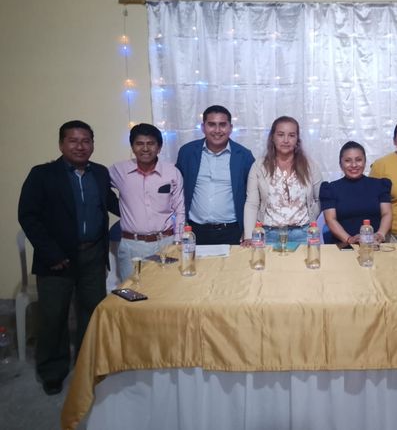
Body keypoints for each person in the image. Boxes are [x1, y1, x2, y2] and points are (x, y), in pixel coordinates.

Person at [18, 120, 119, 395]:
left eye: (86, 141)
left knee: (92, 313)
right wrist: (52, 253)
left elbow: (113, 204)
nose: (80, 146)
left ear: (93, 144)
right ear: (61, 144)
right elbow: (28, 217)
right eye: (73, 141)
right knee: (53, 317)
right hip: (57, 259)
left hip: (93, 255)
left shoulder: (99, 173)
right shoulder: (42, 174)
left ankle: (88, 366)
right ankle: (52, 371)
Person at [109, 123, 185, 280]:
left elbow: (180, 209)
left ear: (159, 147)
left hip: (166, 242)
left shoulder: (172, 172)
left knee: (167, 287)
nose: (145, 149)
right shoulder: (118, 171)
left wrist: (178, 241)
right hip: (132, 245)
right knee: (132, 289)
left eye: (150, 143)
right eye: (139, 143)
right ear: (132, 147)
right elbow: (97, 188)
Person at [176, 105, 255, 244]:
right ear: (203, 127)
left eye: (222, 125)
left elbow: (252, 196)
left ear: (230, 128)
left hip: (231, 231)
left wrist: (247, 231)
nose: (217, 130)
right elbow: (177, 190)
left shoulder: (244, 156)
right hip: (194, 231)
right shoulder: (187, 152)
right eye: (211, 124)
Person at [243, 116, 322, 245]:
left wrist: (311, 219)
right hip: (268, 234)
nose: (286, 140)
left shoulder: (309, 166)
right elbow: (252, 203)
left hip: (303, 234)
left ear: (297, 140)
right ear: (272, 138)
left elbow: (320, 198)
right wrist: (248, 236)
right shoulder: (259, 166)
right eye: (280, 135)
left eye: (291, 135)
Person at [320, 141, 392, 244]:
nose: (354, 165)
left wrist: (380, 234)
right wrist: (349, 239)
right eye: (348, 161)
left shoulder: (380, 185)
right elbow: (330, 219)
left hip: (374, 244)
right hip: (343, 245)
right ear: (340, 164)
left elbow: (387, 213)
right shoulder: (330, 189)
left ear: (365, 162)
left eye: (358, 160)